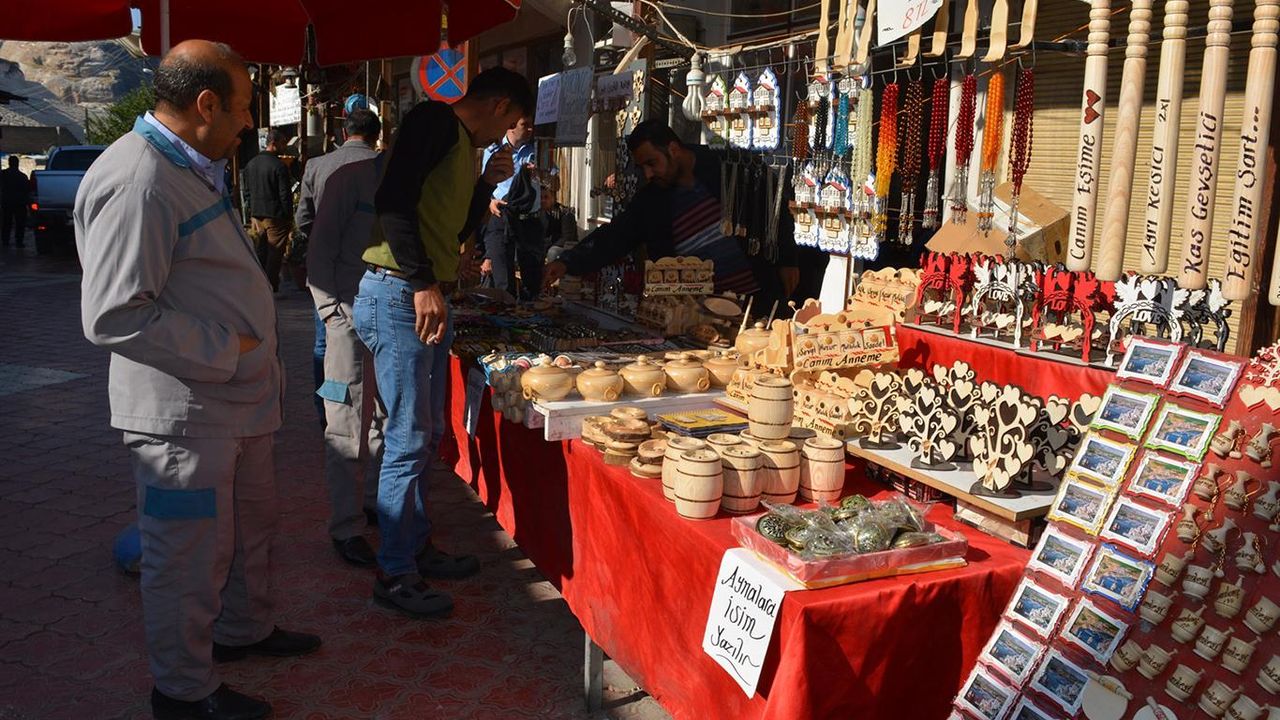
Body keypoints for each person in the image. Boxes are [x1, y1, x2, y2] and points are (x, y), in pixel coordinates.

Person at [74, 40, 319, 720]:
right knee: (186, 556)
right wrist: (230, 348)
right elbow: (115, 315)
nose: (250, 123)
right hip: (184, 417)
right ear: (206, 104)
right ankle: (183, 691)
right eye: (243, 108)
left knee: (247, 528)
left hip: (230, 404)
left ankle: (244, 629)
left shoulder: (187, 165)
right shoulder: (140, 180)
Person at [354, 67, 531, 618]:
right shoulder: (433, 120)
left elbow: (449, 231)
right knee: (408, 437)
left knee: (425, 434)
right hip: (400, 293)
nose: (506, 134)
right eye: (512, 121)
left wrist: (484, 187)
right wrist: (422, 282)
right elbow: (393, 201)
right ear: (499, 106)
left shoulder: (461, 147)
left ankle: (413, 545)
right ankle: (394, 572)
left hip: (419, 294)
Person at [543, 120, 799, 303]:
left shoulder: (727, 166)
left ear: (674, 150)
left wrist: (788, 258)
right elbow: (615, 236)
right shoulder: (652, 198)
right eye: (642, 167)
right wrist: (567, 262)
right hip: (695, 311)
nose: (648, 174)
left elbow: (774, 206)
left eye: (652, 163)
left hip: (756, 300)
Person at [301, 109, 386, 567]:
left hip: (387, 322)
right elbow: (317, 248)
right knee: (344, 423)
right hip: (345, 320)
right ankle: (346, 527)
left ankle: (371, 505)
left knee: (384, 421)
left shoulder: (403, 180)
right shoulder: (345, 177)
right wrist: (331, 313)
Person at [295, 109, 381, 431]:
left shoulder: (317, 165)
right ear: (376, 136)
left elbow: (303, 220)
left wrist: (322, 237)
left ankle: (326, 409)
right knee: (369, 358)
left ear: (345, 133)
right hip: (369, 279)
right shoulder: (381, 169)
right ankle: (364, 415)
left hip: (327, 281)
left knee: (326, 349)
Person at [476, 115, 539, 298]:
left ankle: (530, 311)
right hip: (501, 216)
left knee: (532, 282)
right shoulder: (493, 150)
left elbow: (555, 183)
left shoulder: (535, 151)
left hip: (528, 219)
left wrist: (541, 176)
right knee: (503, 281)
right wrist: (489, 201)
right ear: (511, 126)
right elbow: (484, 182)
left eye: (531, 125)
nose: (530, 129)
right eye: (525, 125)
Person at [243, 128, 293, 291]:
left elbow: (247, 191)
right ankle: (270, 286)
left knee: (261, 250)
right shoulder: (279, 166)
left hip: (257, 213)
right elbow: (285, 194)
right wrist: (288, 216)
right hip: (275, 215)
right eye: (283, 143)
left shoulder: (251, 164)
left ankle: (258, 283)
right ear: (274, 143)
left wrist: (252, 211)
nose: (285, 146)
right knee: (275, 253)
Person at [1, 155, 31, 247]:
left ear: (9, 163)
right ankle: (19, 242)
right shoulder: (22, 177)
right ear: (17, 164)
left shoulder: (3, 174)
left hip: (7, 202)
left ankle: (5, 241)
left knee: (6, 222)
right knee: (20, 223)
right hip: (20, 203)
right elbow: (27, 190)